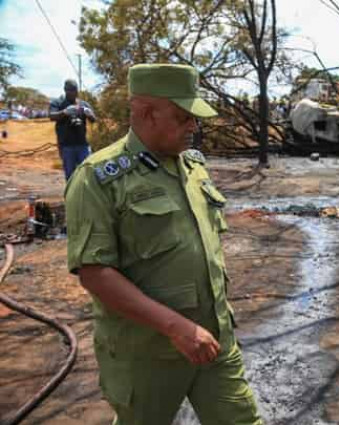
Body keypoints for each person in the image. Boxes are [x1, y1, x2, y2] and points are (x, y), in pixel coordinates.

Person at [65, 64, 262, 425]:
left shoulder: (193, 167)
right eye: (183, 117)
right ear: (146, 113)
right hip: (147, 355)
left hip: (214, 341)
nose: (194, 127)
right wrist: (176, 328)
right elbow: (95, 273)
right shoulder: (98, 179)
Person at [49, 79, 96, 180]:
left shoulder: (83, 104)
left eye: (75, 90)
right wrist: (65, 112)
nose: (73, 93)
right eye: (70, 90)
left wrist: (88, 113)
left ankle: (85, 194)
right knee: (70, 175)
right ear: (65, 90)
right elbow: (51, 116)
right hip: (66, 145)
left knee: (87, 171)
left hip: (82, 144)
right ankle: (71, 195)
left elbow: (93, 119)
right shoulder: (58, 103)